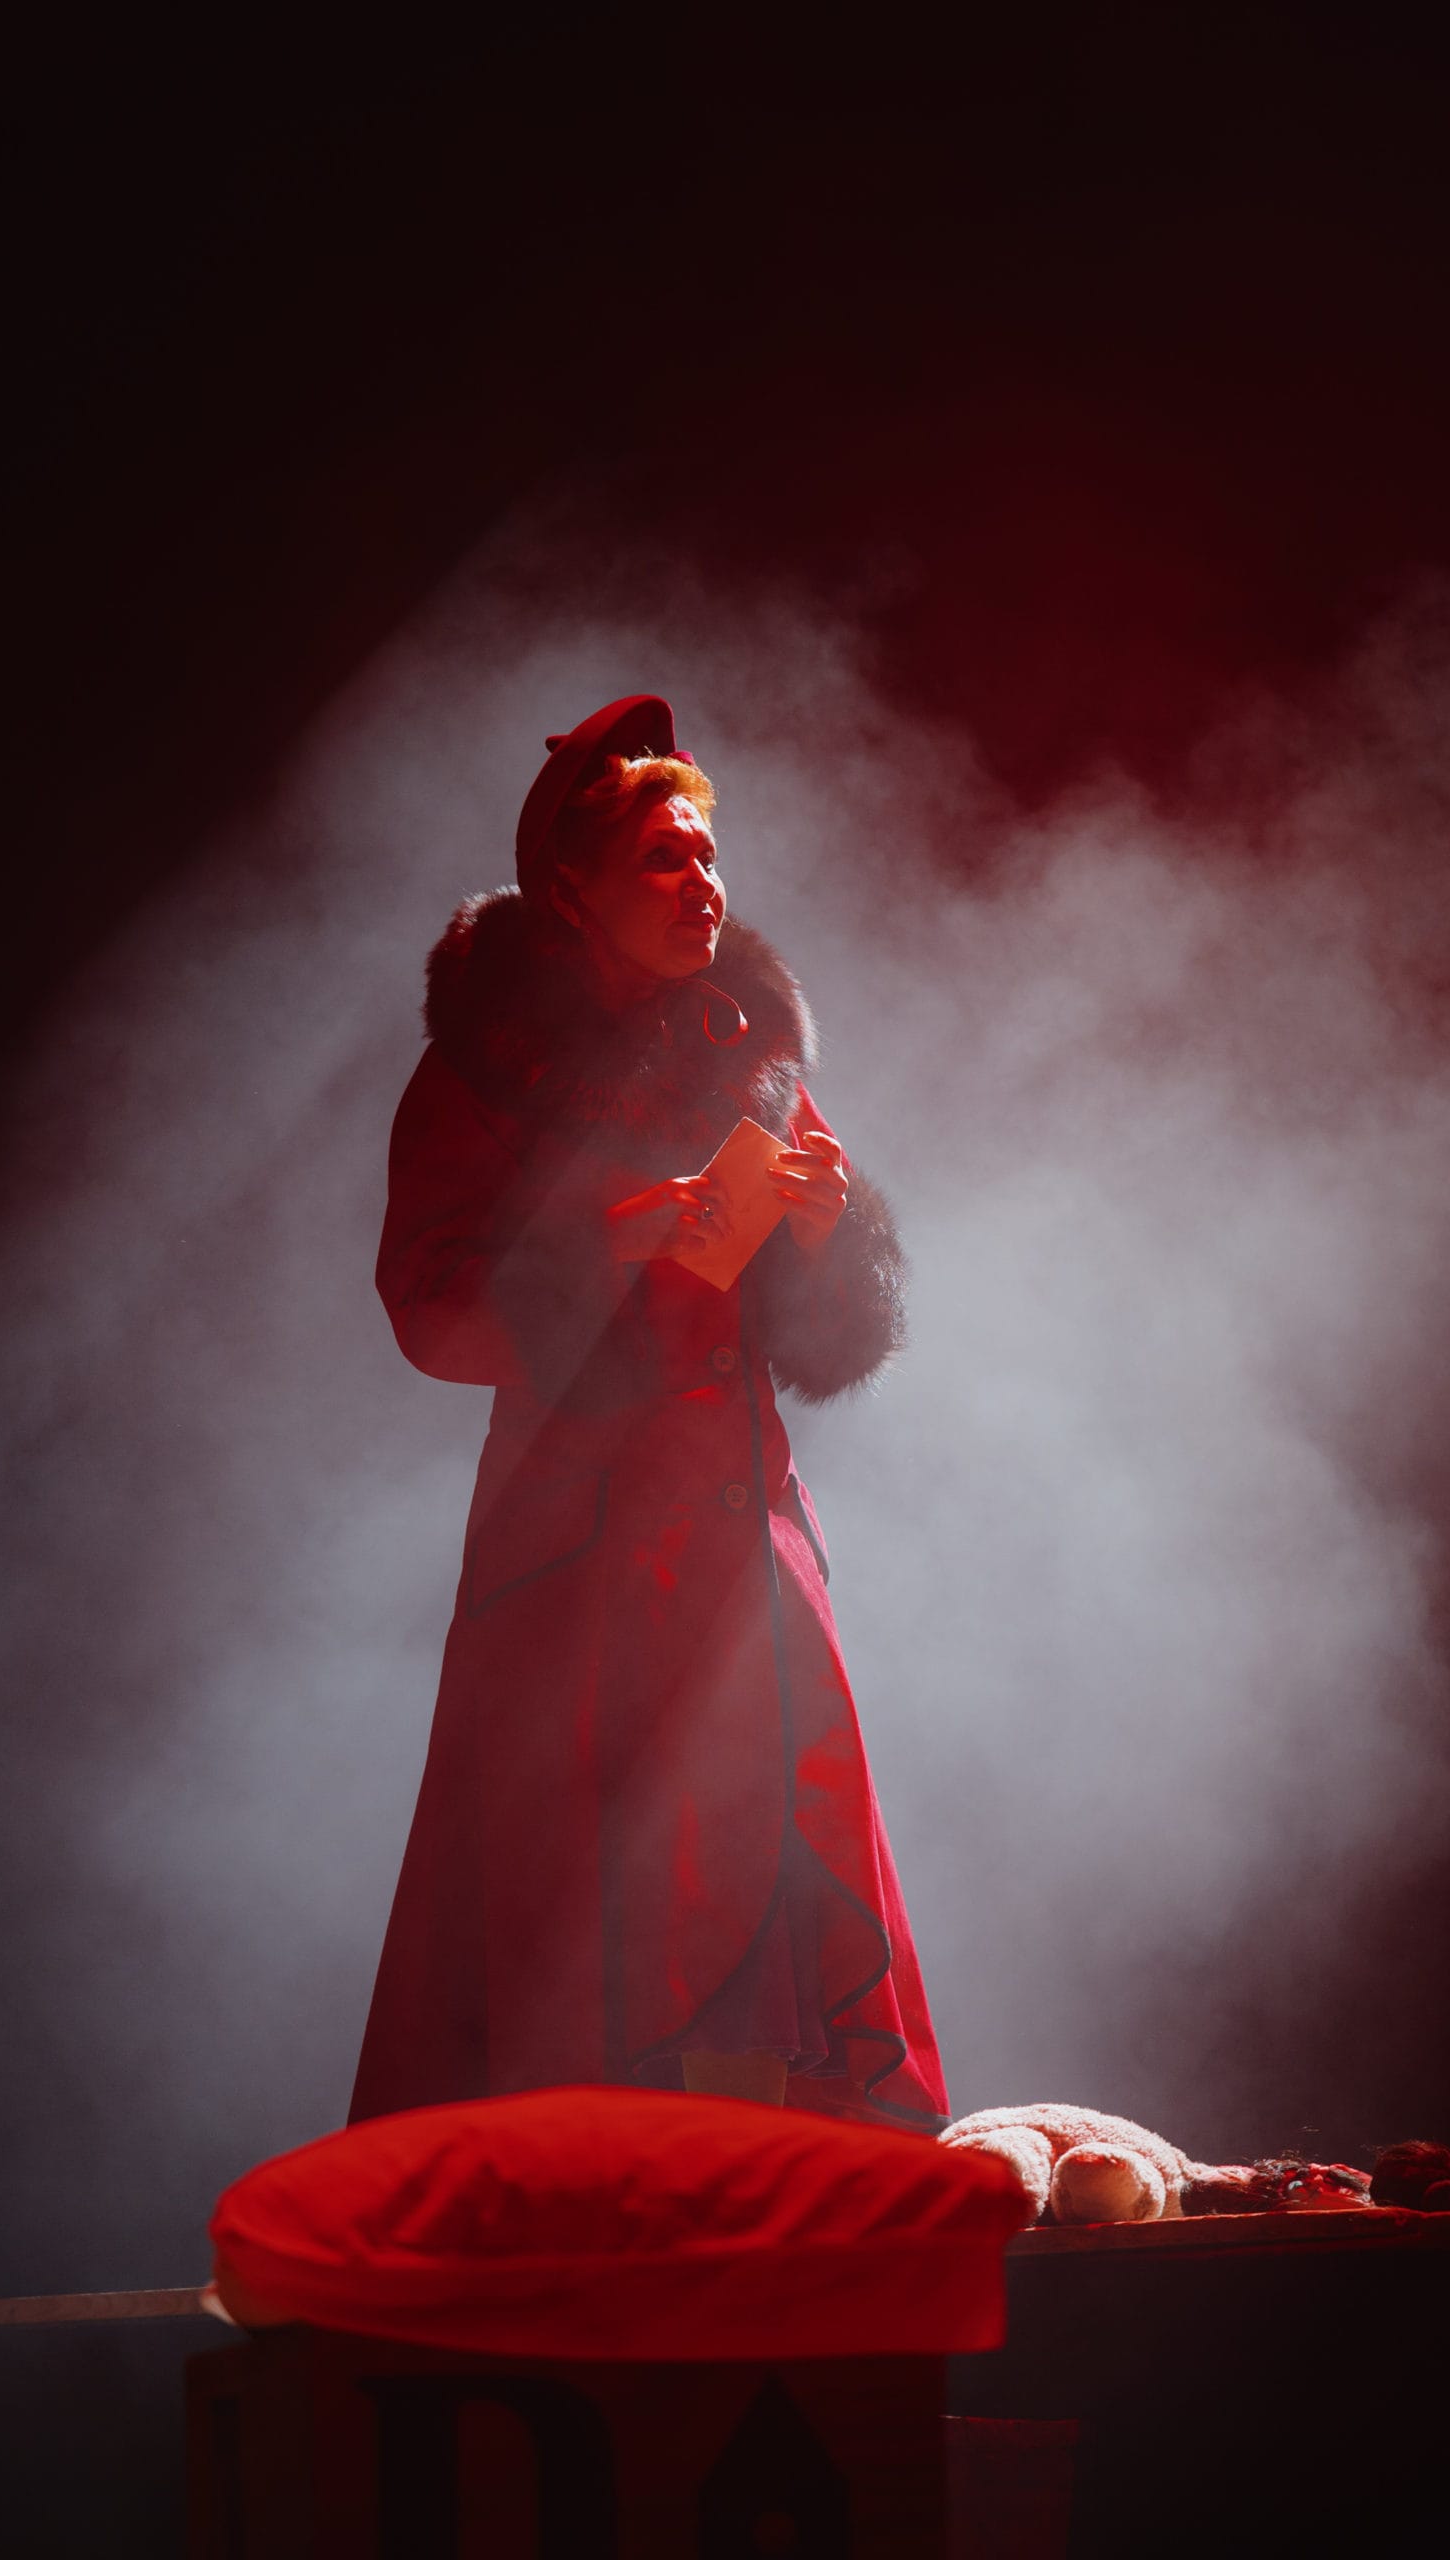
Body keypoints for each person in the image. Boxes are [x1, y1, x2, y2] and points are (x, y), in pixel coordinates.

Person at [349, 695, 946, 2128]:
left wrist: (825, 1233)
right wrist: (600, 1240)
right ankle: (608, 2191)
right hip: (585, 1548)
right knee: (589, 1900)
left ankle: (758, 2182)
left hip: (747, 1532)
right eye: (664, 861)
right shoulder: (489, 1066)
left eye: (708, 856)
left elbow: (831, 1327)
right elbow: (431, 1308)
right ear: (573, 891)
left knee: (770, 1859)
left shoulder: (751, 1054)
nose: (703, 886)